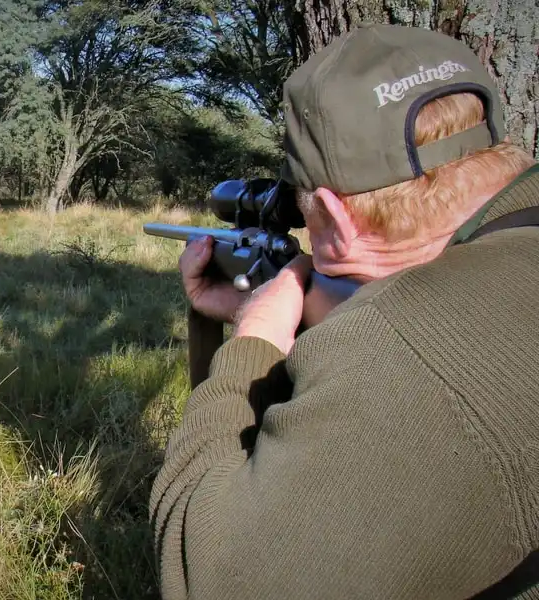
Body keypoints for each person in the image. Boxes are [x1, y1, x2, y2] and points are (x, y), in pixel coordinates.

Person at [149, 23, 539, 600]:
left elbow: (207, 578)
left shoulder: (400, 352)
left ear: (331, 218)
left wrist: (251, 346)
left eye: (306, 216)